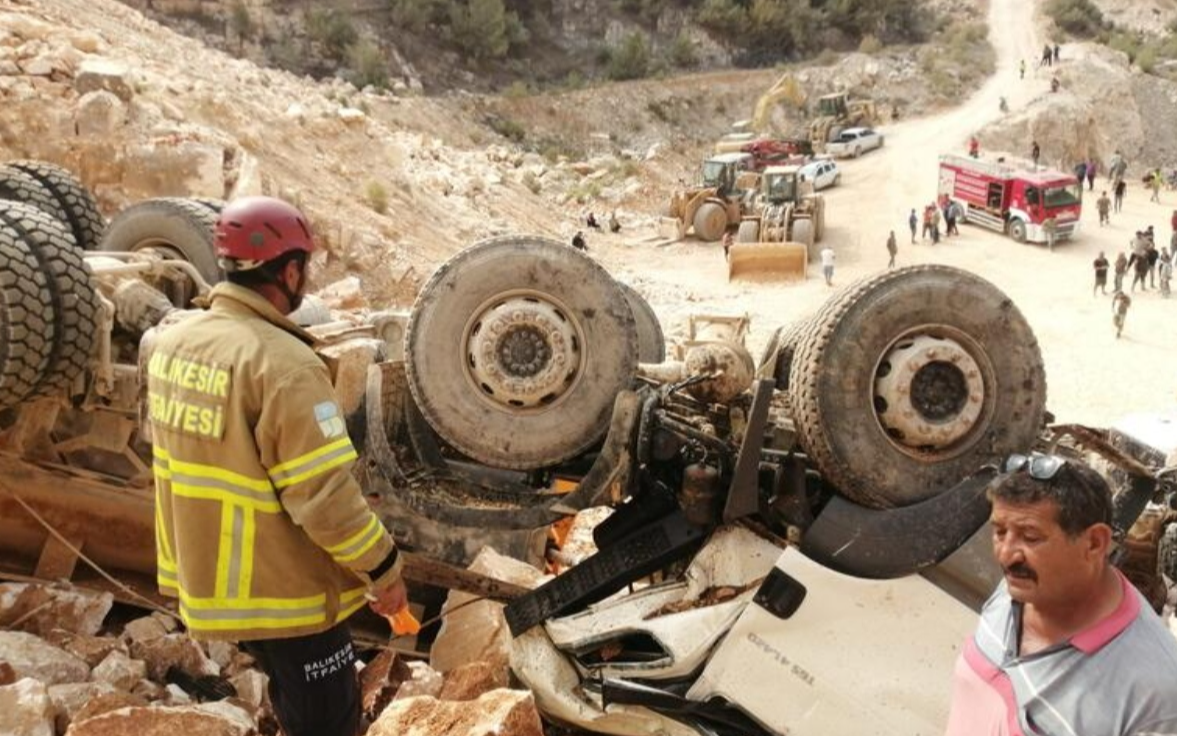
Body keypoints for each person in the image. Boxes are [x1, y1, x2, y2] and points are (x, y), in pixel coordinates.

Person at [147, 197, 408, 736]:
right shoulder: (285, 365)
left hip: (208, 585)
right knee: (329, 725)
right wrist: (384, 568)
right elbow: (324, 497)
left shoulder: (173, 345)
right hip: (284, 597)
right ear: (290, 271)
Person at [944, 455, 1177, 736]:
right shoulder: (1020, 587)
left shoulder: (1157, 695)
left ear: (1094, 543)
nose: (1006, 554)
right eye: (1000, 531)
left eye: (1030, 537)